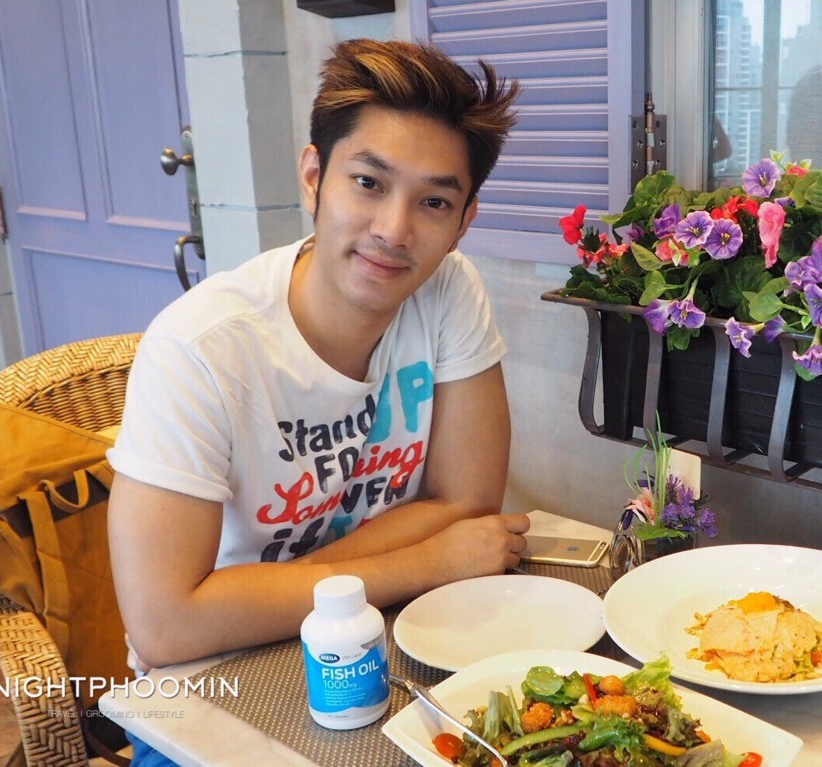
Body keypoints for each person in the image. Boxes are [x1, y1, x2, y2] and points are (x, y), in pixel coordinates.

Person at [107, 38, 529, 680]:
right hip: (220, 666)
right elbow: (166, 625)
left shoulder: (447, 289)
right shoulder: (199, 350)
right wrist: (427, 561)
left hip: (382, 633)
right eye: (368, 183)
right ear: (313, 178)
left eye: (434, 202)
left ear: (463, 221)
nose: (393, 230)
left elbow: (467, 503)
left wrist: (284, 584)